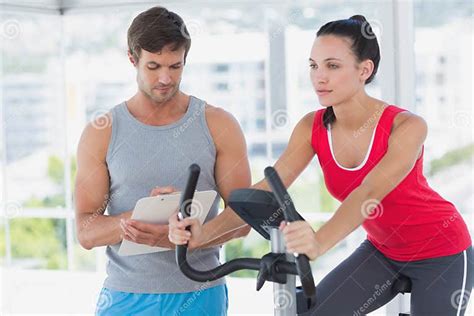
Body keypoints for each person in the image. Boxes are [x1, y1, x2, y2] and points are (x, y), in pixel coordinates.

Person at [169, 15, 473, 315]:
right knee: (312, 311)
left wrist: (319, 242)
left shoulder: (406, 126)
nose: (319, 77)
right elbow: (265, 188)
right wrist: (203, 235)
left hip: (441, 251)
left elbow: (369, 193)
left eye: (333, 66)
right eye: (314, 66)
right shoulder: (311, 128)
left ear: (364, 70)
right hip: (384, 251)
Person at [74, 6, 251, 316]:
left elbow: (242, 219)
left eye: (176, 66)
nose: (166, 78)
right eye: (153, 66)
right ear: (132, 58)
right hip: (125, 298)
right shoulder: (101, 132)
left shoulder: (219, 125)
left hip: (200, 293)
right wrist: (139, 219)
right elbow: (86, 231)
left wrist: (191, 236)